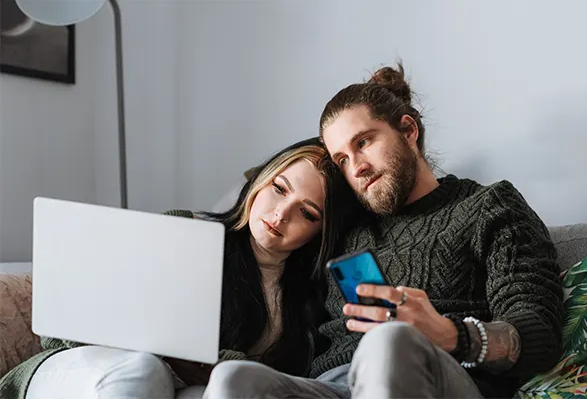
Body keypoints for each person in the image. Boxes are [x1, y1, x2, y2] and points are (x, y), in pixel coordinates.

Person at [202, 63, 565, 399]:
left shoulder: (489, 206)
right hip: (334, 385)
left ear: (408, 131)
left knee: (389, 341)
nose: (356, 167)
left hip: (440, 376)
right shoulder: (343, 227)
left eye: (364, 142)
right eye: (342, 159)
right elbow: (268, 213)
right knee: (235, 378)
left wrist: (451, 334)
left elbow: (536, 332)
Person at [0, 138, 359, 399]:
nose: (281, 214)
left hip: (183, 390)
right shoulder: (185, 231)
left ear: (319, 232)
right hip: (90, 368)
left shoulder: (310, 299)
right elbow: (64, 328)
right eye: (279, 189)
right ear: (260, 181)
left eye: (307, 213)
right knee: (144, 371)